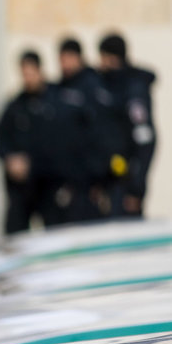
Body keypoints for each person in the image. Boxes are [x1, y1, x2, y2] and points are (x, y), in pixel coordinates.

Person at [0, 50, 57, 234]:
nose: (28, 78)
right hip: (21, 186)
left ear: (40, 71)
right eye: (24, 74)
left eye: (31, 73)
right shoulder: (15, 106)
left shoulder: (54, 102)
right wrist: (10, 159)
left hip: (48, 184)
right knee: (15, 234)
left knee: (53, 235)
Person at [45, 37, 108, 224]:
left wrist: (98, 176)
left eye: (68, 58)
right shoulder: (57, 89)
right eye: (61, 58)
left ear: (78, 58)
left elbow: (99, 132)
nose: (64, 64)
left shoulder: (91, 85)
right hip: (61, 177)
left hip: (86, 180)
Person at [97, 32, 157, 218]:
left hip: (127, 180)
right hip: (112, 177)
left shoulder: (133, 89)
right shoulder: (111, 84)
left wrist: (136, 188)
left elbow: (144, 140)